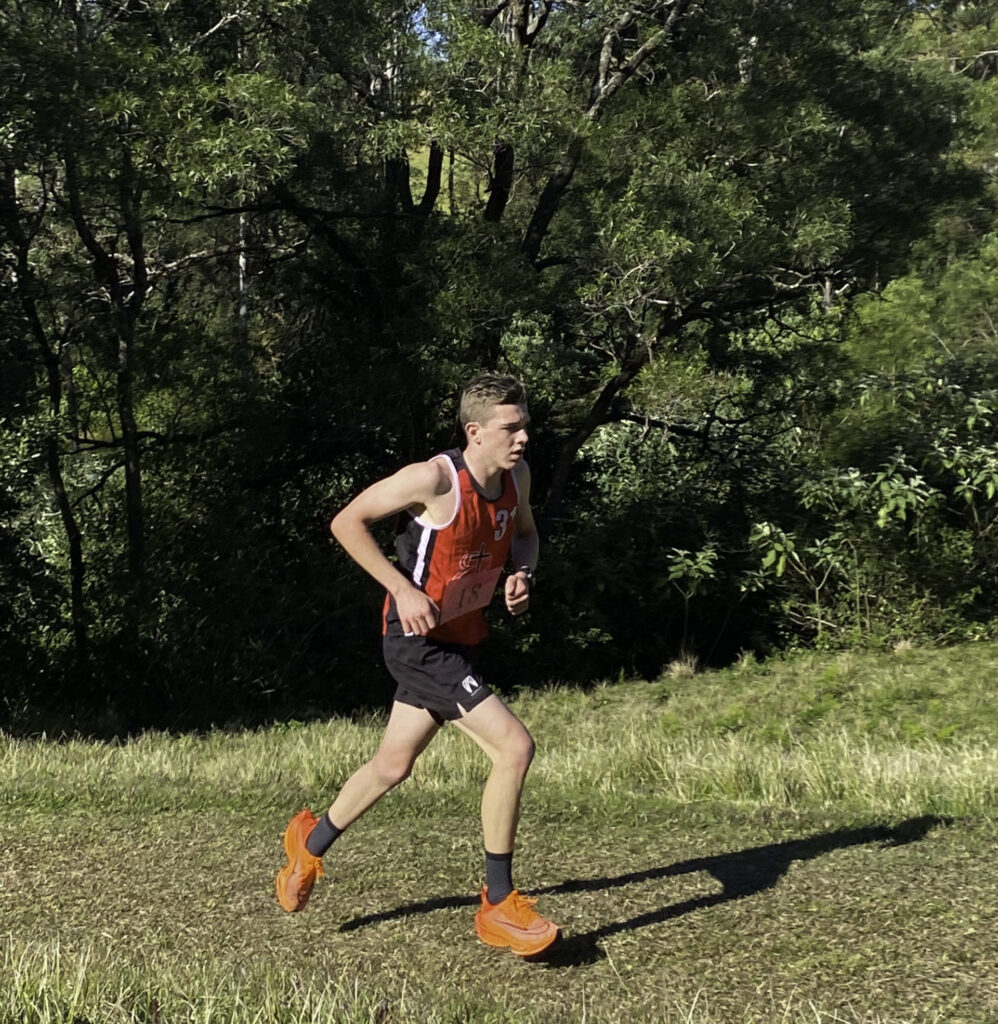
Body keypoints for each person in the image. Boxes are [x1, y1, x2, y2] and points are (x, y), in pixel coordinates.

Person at [275, 372, 559, 957]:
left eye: (525, 425)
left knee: (391, 765)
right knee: (514, 747)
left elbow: (526, 535)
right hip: (416, 641)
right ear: (475, 432)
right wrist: (401, 590)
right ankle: (498, 905)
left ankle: (309, 841)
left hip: (462, 638)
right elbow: (344, 522)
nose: (523, 437)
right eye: (512, 427)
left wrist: (522, 574)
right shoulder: (432, 479)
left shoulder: (517, 477)